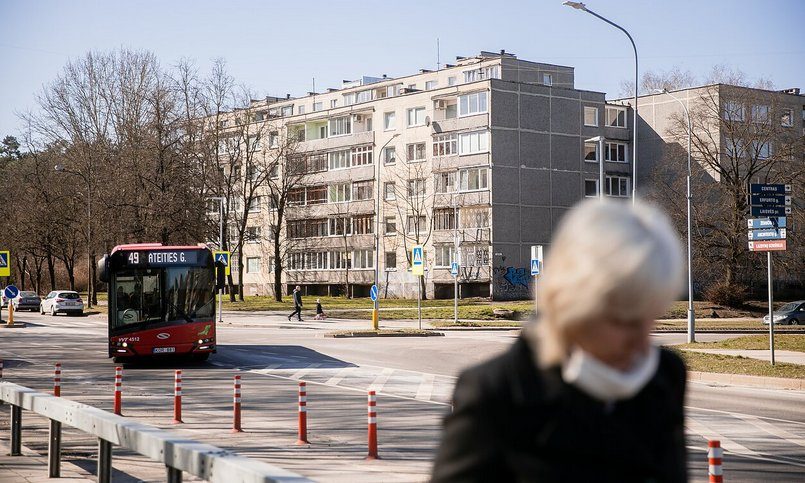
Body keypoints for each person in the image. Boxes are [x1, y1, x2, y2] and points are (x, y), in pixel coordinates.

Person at [432, 199, 687, 482]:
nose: (641, 342)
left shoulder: (664, 377)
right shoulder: (495, 394)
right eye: (623, 321)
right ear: (570, 305)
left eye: (650, 318)